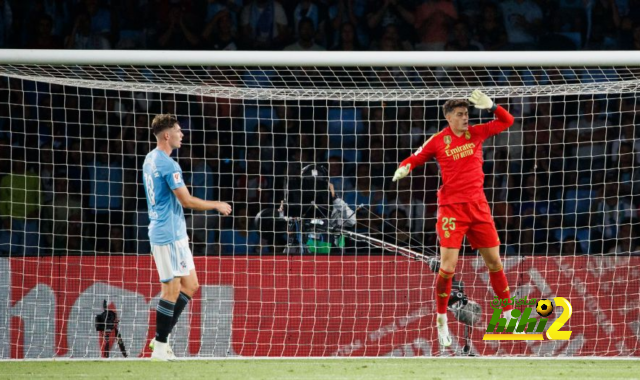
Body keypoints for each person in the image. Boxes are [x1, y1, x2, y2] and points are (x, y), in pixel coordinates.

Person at [392, 90, 515, 348]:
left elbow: (508, 122)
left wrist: (492, 106)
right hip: (451, 210)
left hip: (479, 207)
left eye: (467, 114)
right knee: (448, 267)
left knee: (494, 262)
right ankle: (441, 319)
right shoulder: (438, 140)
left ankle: (507, 314)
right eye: (460, 115)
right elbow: (416, 156)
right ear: (448, 118)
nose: (465, 118)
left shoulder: (477, 133)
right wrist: (405, 166)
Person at [142, 114, 232, 360]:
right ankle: (160, 347)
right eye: (179, 131)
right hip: (166, 233)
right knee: (170, 290)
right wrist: (216, 204)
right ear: (167, 135)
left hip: (174, 232)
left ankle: (160, 338)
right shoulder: (168, 165)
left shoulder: (150, 159)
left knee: (191, 286)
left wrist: (181, 232)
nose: (182, 135)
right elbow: (186, 200)